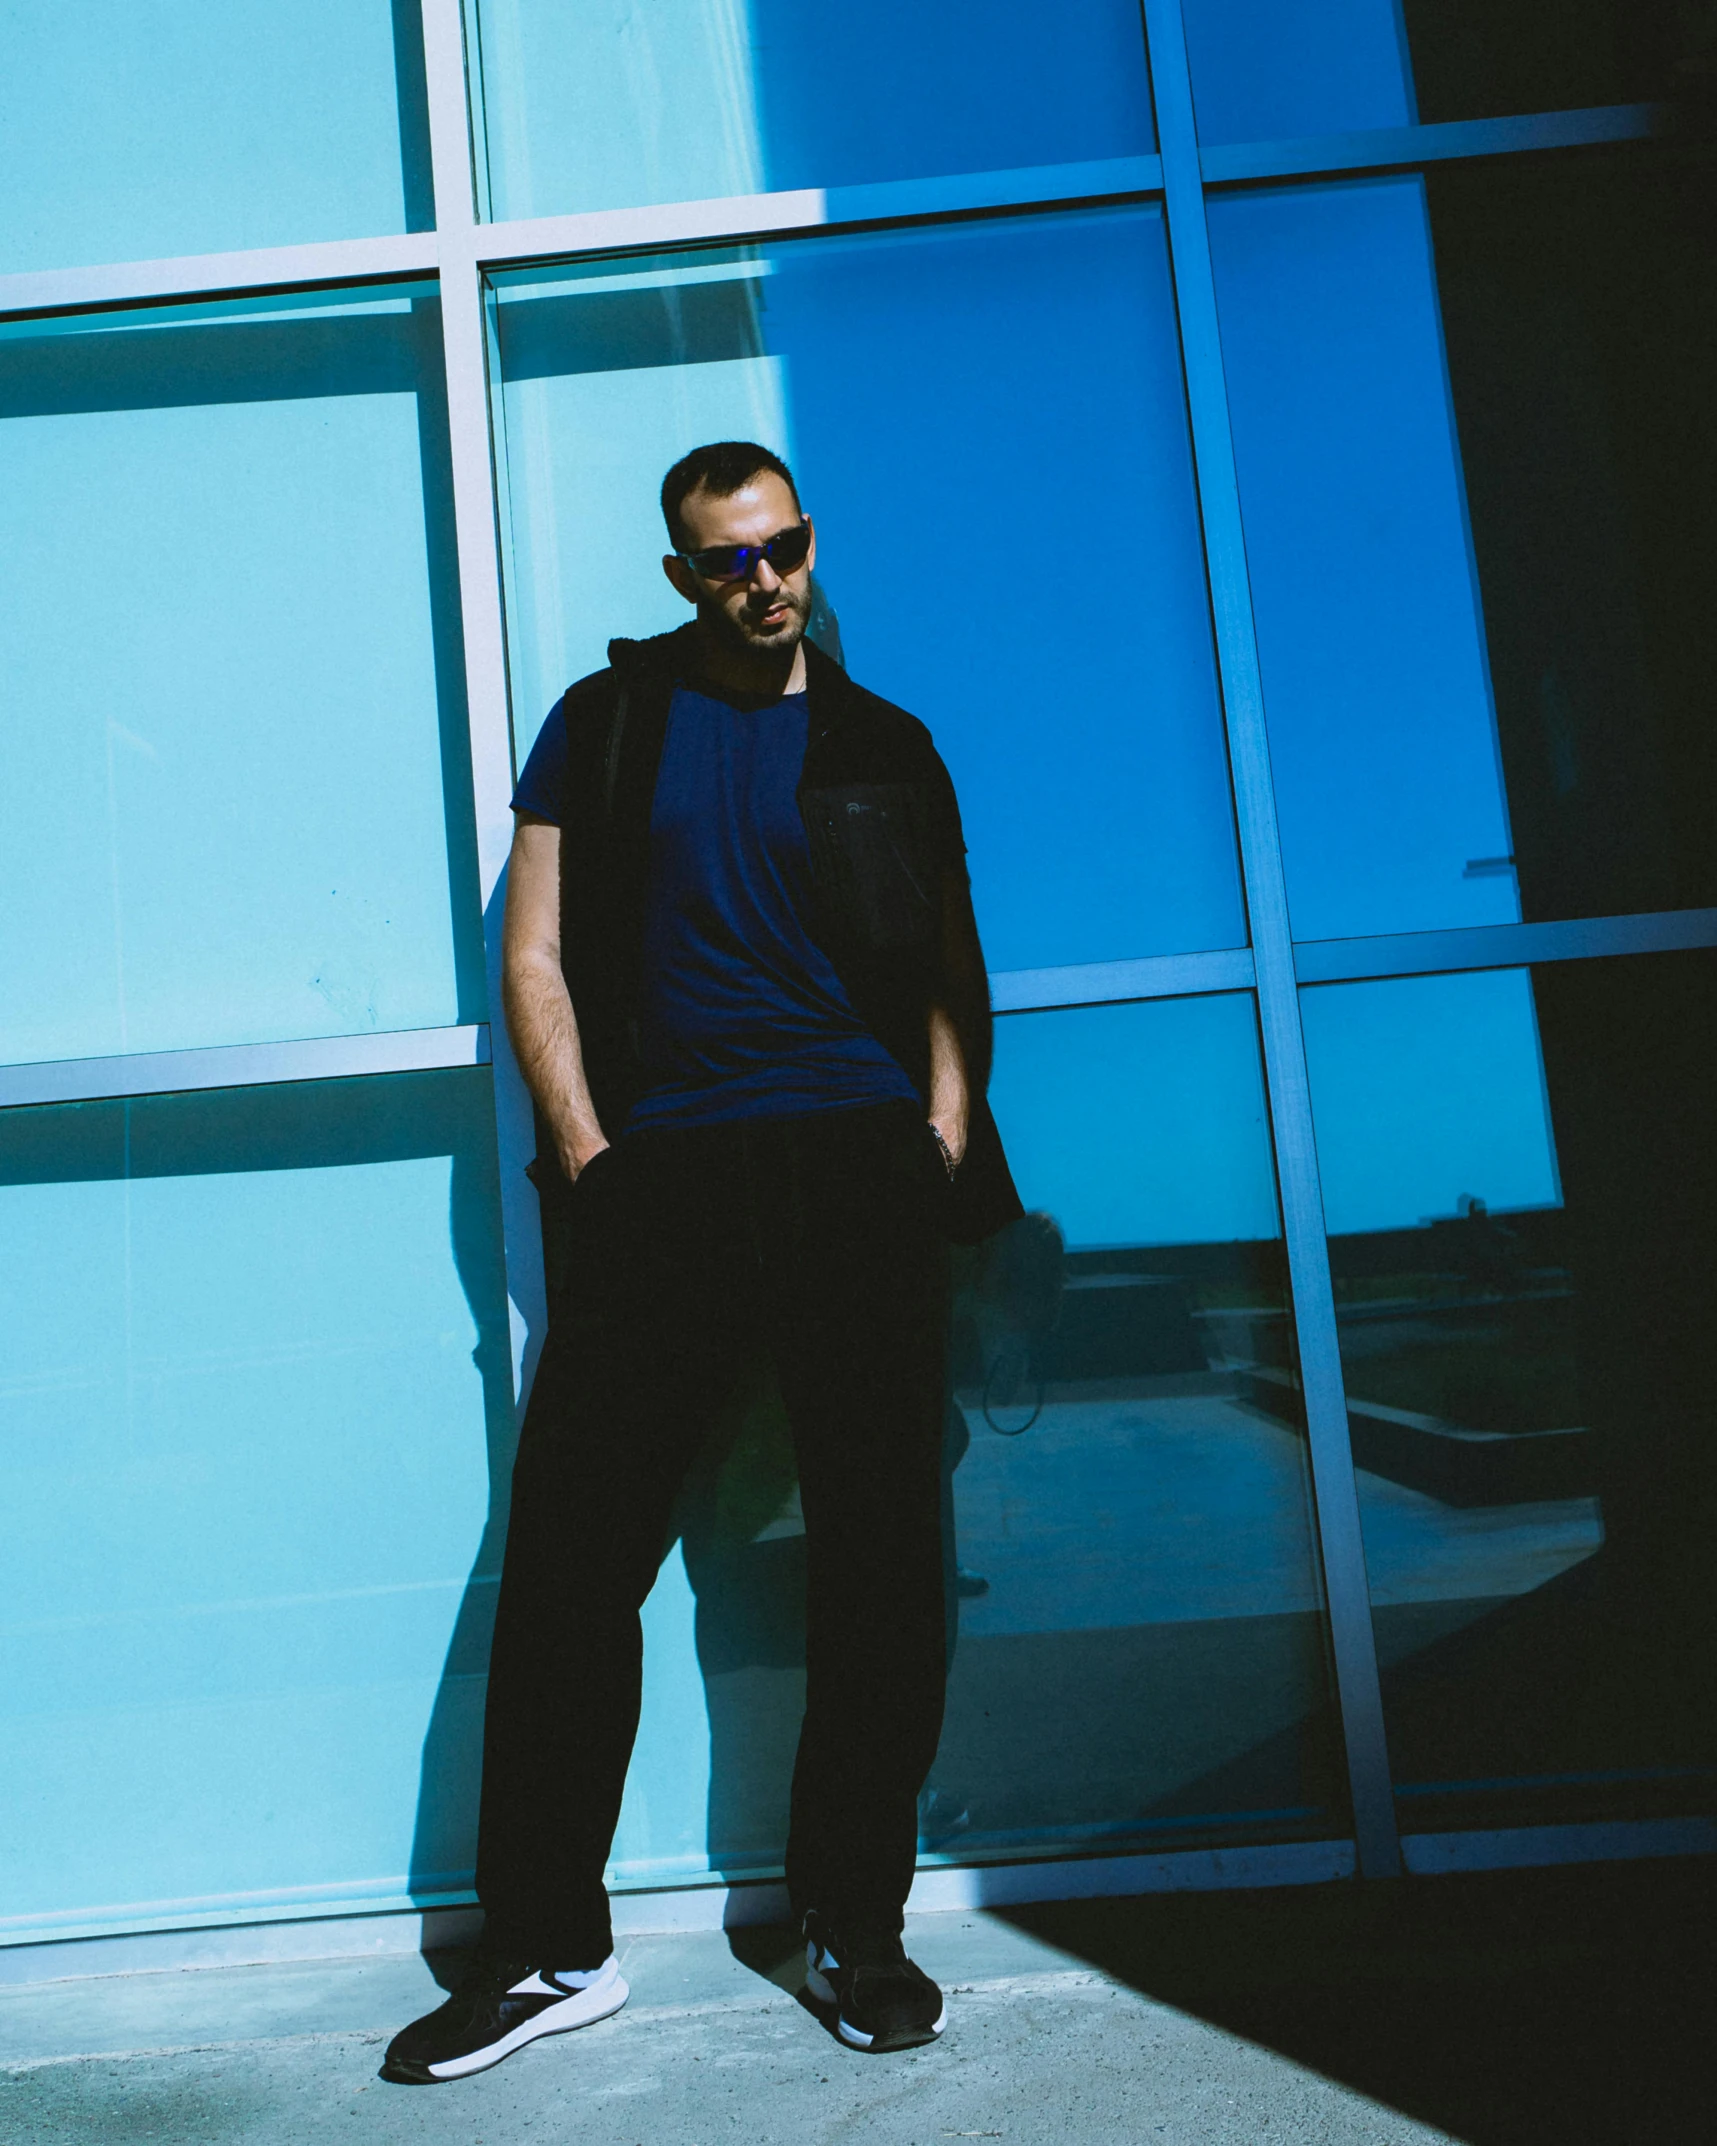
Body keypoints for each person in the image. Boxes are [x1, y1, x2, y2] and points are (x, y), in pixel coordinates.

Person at [385, 441, 1019, 2083]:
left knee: (881, 1558)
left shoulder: (888, 743)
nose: (765, 579)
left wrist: (938, 1128)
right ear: (682, 575)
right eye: (728, 558)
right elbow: (535, 948)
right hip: (664, 1171)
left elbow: (953, 964)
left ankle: (850, 1927)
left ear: (812, 541)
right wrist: (590, 1144)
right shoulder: (605, 729)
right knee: (575, 1557)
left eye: (785, 545)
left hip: (858, 1165)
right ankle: (543, 1951)